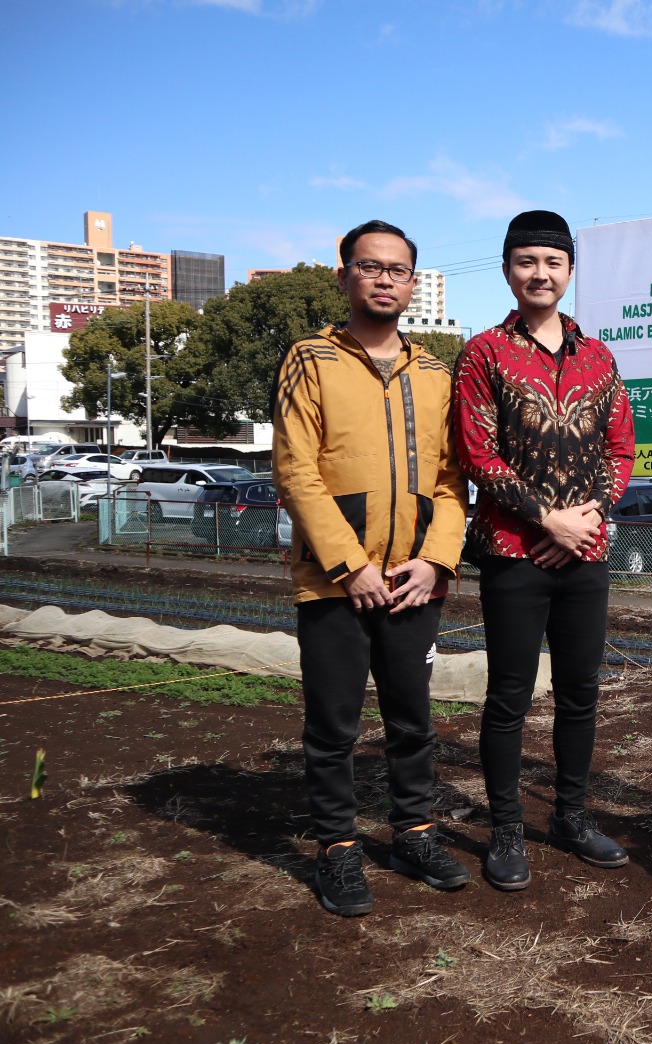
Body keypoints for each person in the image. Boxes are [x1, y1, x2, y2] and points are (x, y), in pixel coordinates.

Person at [274, 220, 471, 917]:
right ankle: (337, 848)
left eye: (398, 269)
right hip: (334, 580)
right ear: (344, 277)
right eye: (370, 266)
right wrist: (349, 563)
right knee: (333, 724)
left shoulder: (436, 374)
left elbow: (452, 481)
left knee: (412, 718)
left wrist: (438, 559)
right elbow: (296, 470)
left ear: (414, 284)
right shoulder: (310, 360)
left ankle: (413, 832)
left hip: (414, 577)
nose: (385, 278)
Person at [453, 210, 635, 890]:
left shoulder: (599, 358)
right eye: (527, 261)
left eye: (553, 262)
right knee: (508, 695)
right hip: (511, 550)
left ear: (569, 271)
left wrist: (585, 520)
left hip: (584, 553)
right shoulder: (483, 353)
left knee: (581, 692)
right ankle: (504, 828)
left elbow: (620, 449)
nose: (540, 273)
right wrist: (546, 522)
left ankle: (570, 815)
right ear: (508, 270)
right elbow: (477, 453)